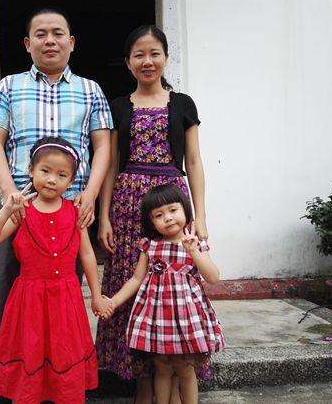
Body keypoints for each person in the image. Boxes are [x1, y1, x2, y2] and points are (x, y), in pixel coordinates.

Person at [0, 8, 112, 403]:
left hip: (70, 216)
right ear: (27, 43)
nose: (49, 40)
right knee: (2, 310)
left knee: (62, 313)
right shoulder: (9, 86)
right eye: (40, 34)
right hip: (19, 215)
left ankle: (57, 391)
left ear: (72, 42)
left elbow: (102, 145)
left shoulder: (90, 90)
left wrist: (88, 195)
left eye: (58, 33)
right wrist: (9, 195)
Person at [95, 25, 209, 403]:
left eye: (154, 53)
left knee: (173, 290)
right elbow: (110, 164)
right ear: (128, 63)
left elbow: (193, 161)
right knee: (134, 284)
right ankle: (140, 381)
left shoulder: (183, 104)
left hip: (173, 203)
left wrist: (201, 216)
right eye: (139, 54)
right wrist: (106, 216)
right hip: (127, 208)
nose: (147, 61)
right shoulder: (118, 106)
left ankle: (177, 377)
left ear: (165, 57)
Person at [0, 137, 111, 404]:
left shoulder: (75, 212)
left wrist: (96, 294)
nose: (52, 179)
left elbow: (86, 254)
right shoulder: (22, 212)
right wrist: (6, 209)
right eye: (45, 171)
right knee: (31, 354)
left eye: (61, 174)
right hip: (29, 303)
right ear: (30, 171)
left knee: (63, 354)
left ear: (71, 180)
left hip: (66, 302)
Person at [99, 184, 224, 404]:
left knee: (186, 369)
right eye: (159, 215)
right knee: (162, 368)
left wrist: (194, 251)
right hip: (158, 318)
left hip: (187, 318)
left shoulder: (195, 243)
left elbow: (213, 277)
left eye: (173, 210)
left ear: (185, 209)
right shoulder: (150, 246)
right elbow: (137, 279)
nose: (167, 218)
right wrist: (115, 300)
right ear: (151, 222)